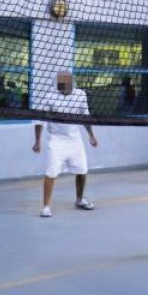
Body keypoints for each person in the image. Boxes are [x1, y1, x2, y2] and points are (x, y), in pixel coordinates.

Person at [32, 72, 99, 218]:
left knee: (82, 170)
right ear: (58, 85)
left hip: (75, 140)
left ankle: (80, 200)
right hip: (56, 140)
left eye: (68, 84)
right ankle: (46, 207)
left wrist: (91, 135)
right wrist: (37, 141)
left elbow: (85, 116)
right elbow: (39, 120)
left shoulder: (80, 95)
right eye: (62, 85)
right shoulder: (49, 97)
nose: (65, 87)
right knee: (51, 172)